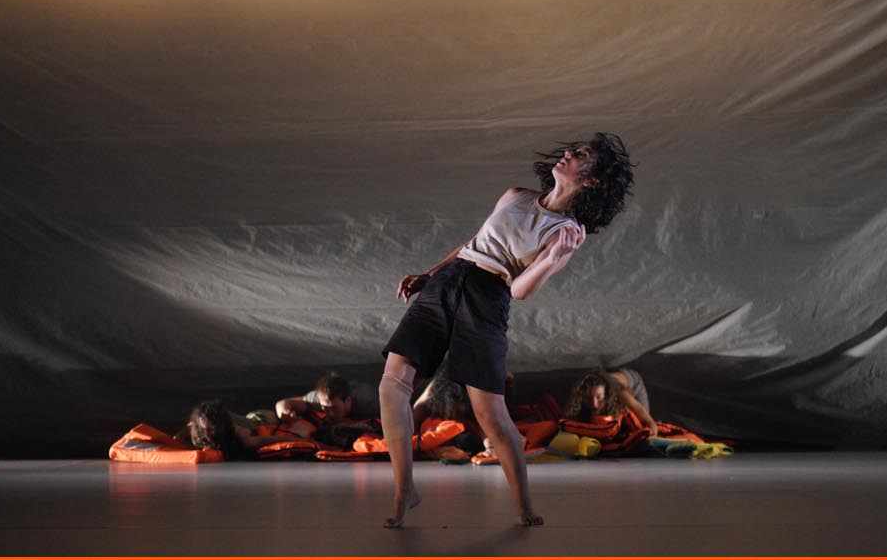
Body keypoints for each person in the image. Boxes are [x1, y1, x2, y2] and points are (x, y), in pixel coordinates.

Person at [378, 132, 635, 528]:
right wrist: (428, 274)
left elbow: (519, 290)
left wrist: (553, 258)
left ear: (593, 180)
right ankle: (404, 491)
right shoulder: (515, 195)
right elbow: (473, 242)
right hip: (448, 281)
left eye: (582, 155)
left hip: (487, 298)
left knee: (492, 416)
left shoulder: (564, 233)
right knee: (392, 385)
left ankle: (524, 505)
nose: (569, 153)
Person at [174, 399, 308, 457]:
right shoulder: (197, 425)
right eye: (204, 430)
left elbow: (264, 440)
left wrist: (300, 441)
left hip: (262, 419)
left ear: (220, 428)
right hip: (242, 418)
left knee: (276, 416)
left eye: (211, 430)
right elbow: (177, 439)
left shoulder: (238, 432)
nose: (207, 434)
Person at [563, 368, 658, 437]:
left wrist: (650, 439)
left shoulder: (620, 393)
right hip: (610, 380)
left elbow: (650, 422)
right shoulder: (577, 396)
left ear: (607, 394)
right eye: (588, 398)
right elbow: (568, 422)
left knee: (641, 425)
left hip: (634, 383)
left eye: (599, 398)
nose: (594, 404)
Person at [274, 371, 380, 423]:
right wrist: (285, 413)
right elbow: (283, 403)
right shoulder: (320, 398)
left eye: (334, 408)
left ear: (348, 400)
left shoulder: (370, 402)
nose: (330, 413)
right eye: (325, 408)